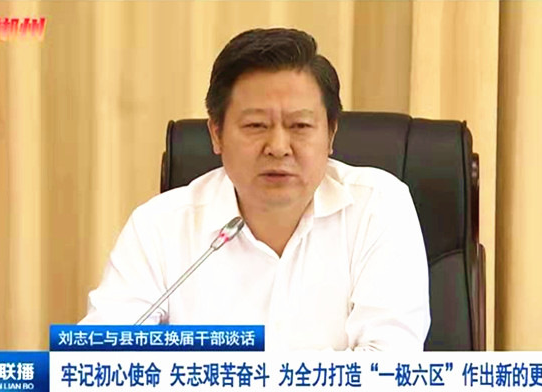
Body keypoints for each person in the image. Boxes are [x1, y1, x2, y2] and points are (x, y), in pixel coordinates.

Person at [80, 28, 430, 351]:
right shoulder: (159, 227)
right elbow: (100, 361)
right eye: (256, 125)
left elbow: (388, 365)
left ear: (331, 134)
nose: (278, 147)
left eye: (300, 125)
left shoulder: (377, 207)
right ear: (216, 134)